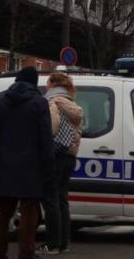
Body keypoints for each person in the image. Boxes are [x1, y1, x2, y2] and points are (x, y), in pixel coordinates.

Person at [0, 67, 54, 259]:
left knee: (3, 212)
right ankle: (26, 252)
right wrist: (49, 170)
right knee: (29, 214)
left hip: (5, 165)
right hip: (31, 167)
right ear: (33, 83)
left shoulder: (0, 104)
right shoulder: (39, 104)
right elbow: (45, 140)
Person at [38, 73, 84, 255]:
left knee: (50, 199)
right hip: (70, 155)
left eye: (48, 82)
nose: (46, 86)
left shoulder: (53, 102)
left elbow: (52, 127)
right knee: (62, 199)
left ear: (53, 84)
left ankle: (52, 243)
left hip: (55, 154)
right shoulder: (73, 105)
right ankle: (64, 242)